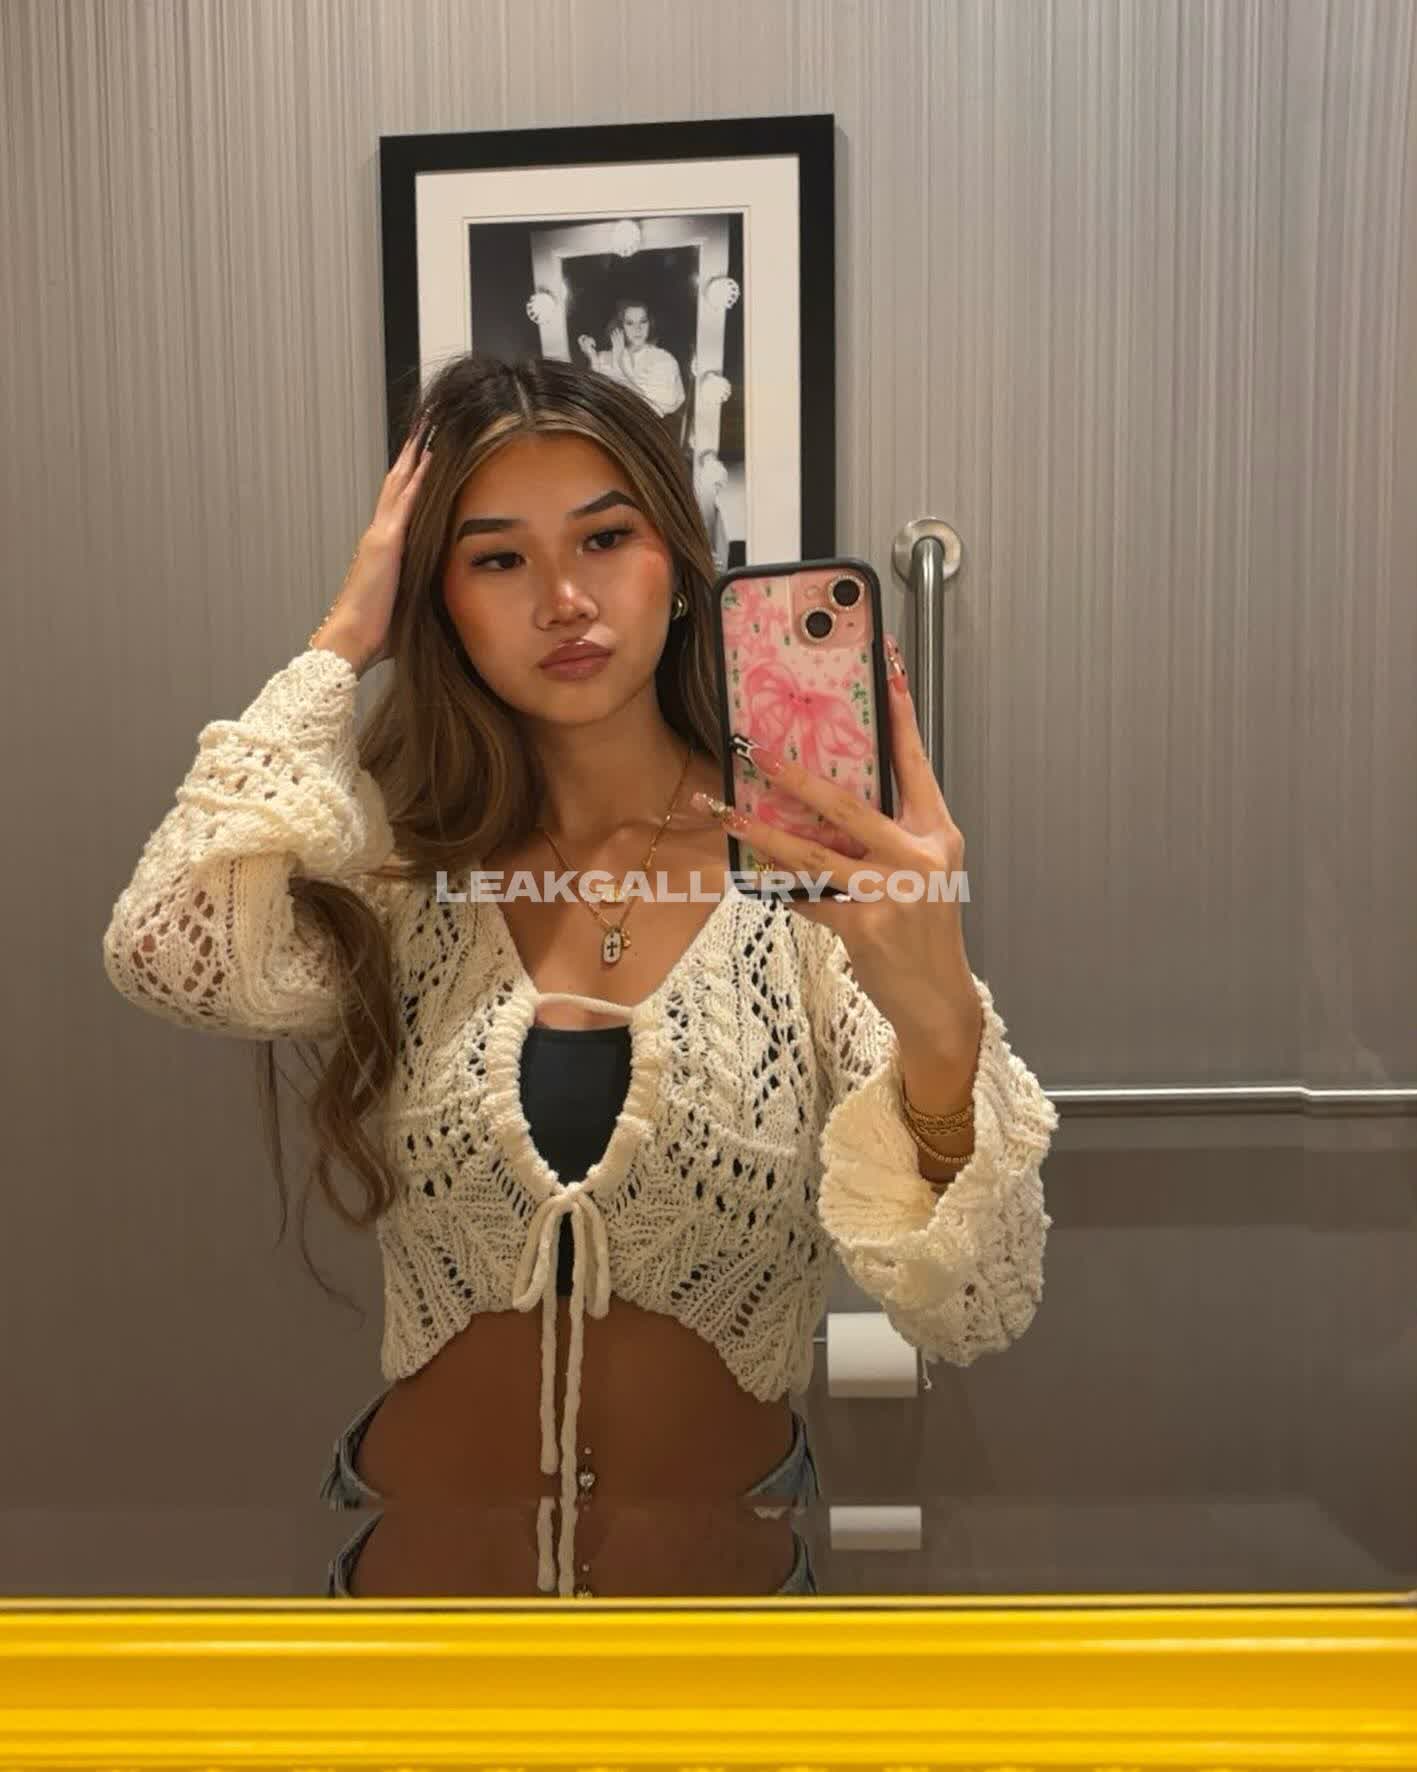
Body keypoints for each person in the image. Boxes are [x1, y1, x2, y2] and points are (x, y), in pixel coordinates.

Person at [101, 352, 1058, 1599]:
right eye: (497, 558)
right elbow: (168, 947)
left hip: (721, 1627)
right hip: (411, 1607)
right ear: (437, 596)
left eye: (606, 538)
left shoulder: (812, 882)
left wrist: (938, 1023)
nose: (563, 599)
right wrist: (343, 638)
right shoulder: (403, 867)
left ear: (678, 562)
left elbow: (972, 1303)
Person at [577, 298, 685, 419]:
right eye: (630, 323)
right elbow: (594, 399)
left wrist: (619, 364)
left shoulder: (664, 360)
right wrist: (592, 357)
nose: (638, 329)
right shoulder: (604, 357)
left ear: (650, 323)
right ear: (621, 326)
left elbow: (649, 407)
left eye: (643, 321)